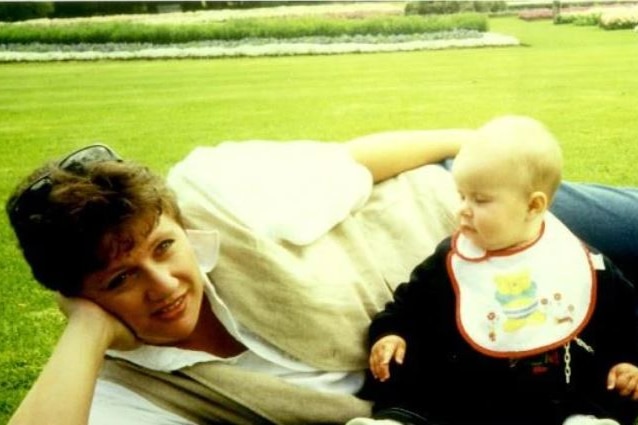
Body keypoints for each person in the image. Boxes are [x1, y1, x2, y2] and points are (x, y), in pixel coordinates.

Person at [4, 122, 638, 425]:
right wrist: (87, 332)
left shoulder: (218, 191)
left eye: (165, 247)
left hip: (467, 214)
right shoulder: (127, 394)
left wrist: (488, 148)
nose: (165, 285)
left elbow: (355, 161)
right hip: (454, 337)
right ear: (74, 294)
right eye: (120, 281)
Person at [348, 116, 638, 425]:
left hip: (553, 398)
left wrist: (629, 362)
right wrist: (392, 334)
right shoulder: (452, 260)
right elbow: (406, 307)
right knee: (417, 403)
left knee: (584, 408)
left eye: (480, 199)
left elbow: (626, 320)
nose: (463, 209)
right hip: (456, 396)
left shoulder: (583, 265)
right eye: (461, 196)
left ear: (533, 206)